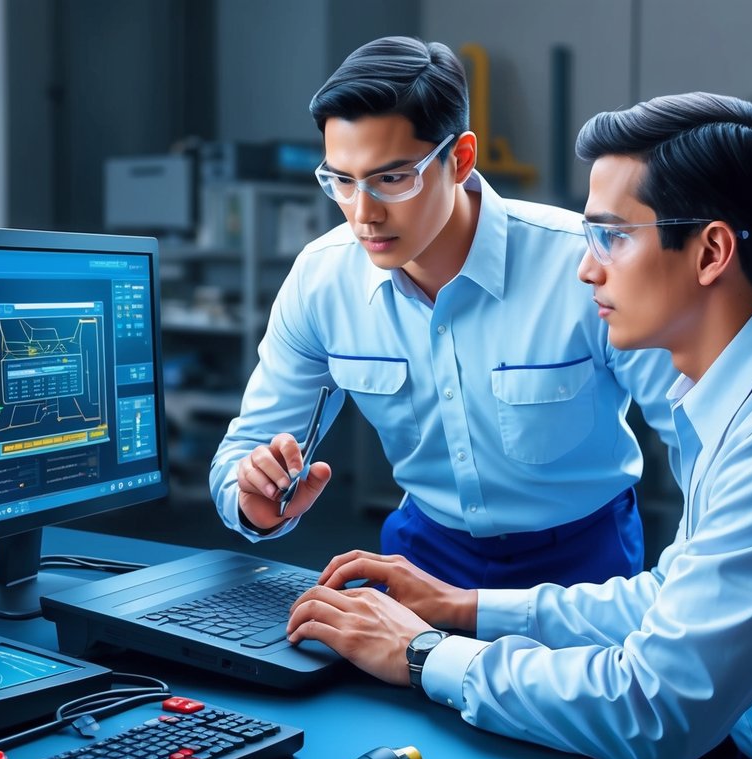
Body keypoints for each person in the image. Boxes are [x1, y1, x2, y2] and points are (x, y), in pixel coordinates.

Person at [286, 91, 752, 759]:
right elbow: (675, 598)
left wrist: (423, 654)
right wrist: (463, 608)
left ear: (711, 252)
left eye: (612, 237)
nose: (585, 272)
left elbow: (652, 710)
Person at [210, 36, 678, 590]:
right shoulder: (322, 280)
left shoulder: (583, 267)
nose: (364, 215)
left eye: (391, 178)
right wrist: (254, 499)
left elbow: (700, 440)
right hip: (422, 553)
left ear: (460, 160)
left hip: (582, 561)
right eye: (341, 181)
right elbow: (243, 452)